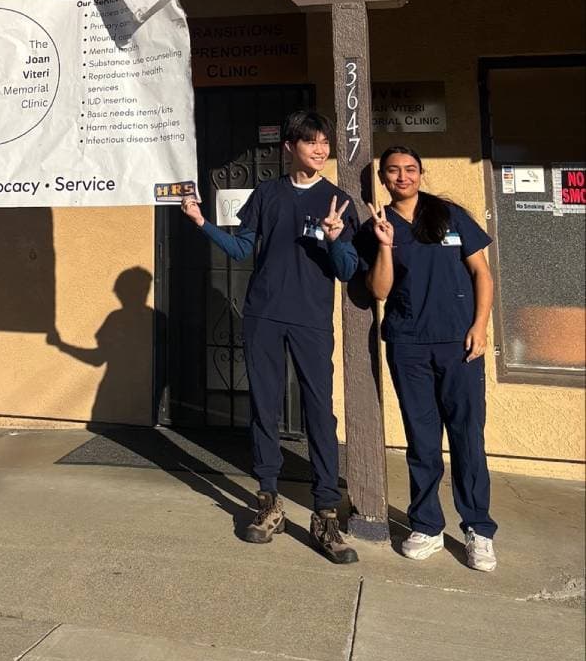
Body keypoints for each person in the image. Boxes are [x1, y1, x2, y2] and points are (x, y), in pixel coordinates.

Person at [180, 109, 360, 564]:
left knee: (320, 411)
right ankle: (268, 502)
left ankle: (325, 513)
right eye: (311, 142)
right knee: (263, 407)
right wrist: (202, 222)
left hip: (311, 320)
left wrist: (337, 238)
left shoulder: (337, 200)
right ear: (289, 147)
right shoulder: (268, 194)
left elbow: (347, 271)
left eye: (325, 143)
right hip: (263, 315)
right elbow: (243, 248)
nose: (320, 150)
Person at [359, 145, 497, 571]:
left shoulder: (450, 216)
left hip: (459, 344)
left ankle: (478, 529)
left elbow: (482, 274)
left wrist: (479, 326)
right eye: (394, 171)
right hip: (409, 346)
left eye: (410, 169)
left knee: (467, 438)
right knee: (422, 440)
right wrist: (384, 245)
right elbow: (379, 291)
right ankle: (427, 525)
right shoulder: (377, 226)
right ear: (383, 179)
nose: (403, 176)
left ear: (421, 173)